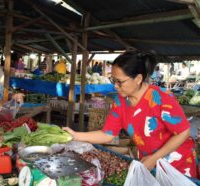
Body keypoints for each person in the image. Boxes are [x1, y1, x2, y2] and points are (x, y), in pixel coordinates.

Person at [64, 50, 197, 178]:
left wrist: (154, 158)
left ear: (138, 78)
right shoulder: (121, 102)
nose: (115, 86)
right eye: (113, 80)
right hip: (149, 163)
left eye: (119, 82)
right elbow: (107, 134)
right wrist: (75, 135)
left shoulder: (162, 99)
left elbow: (183, 132)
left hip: (177, 165)